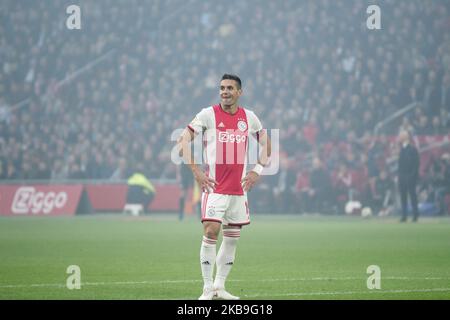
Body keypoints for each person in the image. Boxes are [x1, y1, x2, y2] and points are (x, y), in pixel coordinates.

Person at [177, 74, 271, 300]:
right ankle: (207, 288)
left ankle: (220, 287)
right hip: (214, 188)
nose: (225, 91)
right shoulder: (207, 115)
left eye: (230, 88)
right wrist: (197, 172)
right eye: (222, 88)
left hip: (239, 191)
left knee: (231, 238)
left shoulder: (250, 118)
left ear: (240, 92)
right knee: (211, 231)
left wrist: (256, 170)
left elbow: (267, 144)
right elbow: (182, 142)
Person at [397, 130, 420, 222]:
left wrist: (412, 176)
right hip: (402, 177)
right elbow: (400, 164)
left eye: (400, 136)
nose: (399, 137)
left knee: (412, 196)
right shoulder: (401, 149)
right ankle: (404, 215)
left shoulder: (412, 149)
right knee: (403, 197)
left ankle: (415, 215)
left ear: (405, 137)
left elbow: (416, 164)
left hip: (410, 177)